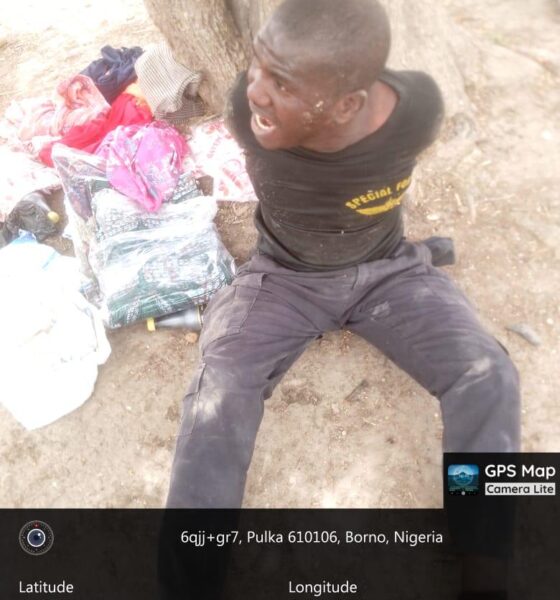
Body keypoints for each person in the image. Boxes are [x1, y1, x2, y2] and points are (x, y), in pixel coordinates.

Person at [166, 0, 520, 510]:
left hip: (388, 271)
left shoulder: (416, 113)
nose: (255, 90)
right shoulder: (250, 113)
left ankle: (483, 534)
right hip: (284, 278)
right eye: (258, 63)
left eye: (283, 84)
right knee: (220, 383)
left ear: (348, 105)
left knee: (489, 372)